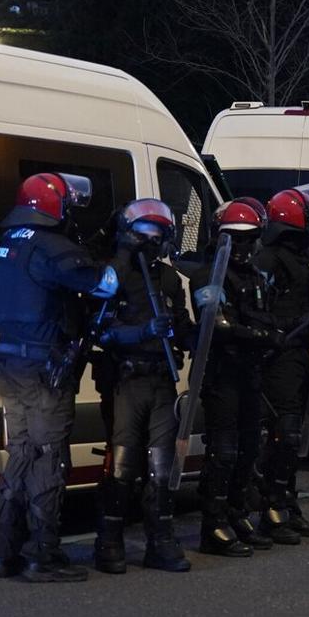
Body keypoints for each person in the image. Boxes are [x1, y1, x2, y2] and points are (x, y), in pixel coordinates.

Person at [0, 173, 122, 582]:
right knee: (49, 458)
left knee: (23, 454)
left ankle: (2, 550)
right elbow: (104, 283)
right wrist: (113, 252)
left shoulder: (10, 242)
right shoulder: (49, 246)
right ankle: (41, 554)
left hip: (12, 362)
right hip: (45, 367)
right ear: (53, 206)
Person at [92, 199, 193, 575]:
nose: (152, 242)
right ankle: (110, 540)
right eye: (144, 235)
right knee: (122, 464)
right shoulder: (115, 275)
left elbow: (181, 324)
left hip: (161, 378)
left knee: (161, 465)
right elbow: (100, 329)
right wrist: (142, 331)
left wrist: (199, 334)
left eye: (158, 235)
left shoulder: (169, 279)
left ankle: (161, 540)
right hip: (126, 378)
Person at [189, 198, 281, 556]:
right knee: (223, 451)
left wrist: (272, 333)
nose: (242, 247)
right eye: (234, 239)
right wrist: (259, 334)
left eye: (248, 239)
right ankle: (212, 524)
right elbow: (218, 324)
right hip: (222, 373)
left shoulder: (257, 277)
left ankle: (236, 512)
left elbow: (267, 316)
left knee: (249, 448)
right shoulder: (207, 274)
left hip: (250, 371)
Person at [254, 184, 309, 544]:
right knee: (283, 433)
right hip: (278, 354)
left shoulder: (300, 258)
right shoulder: (268, 258)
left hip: (298, 353)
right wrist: (293, 324)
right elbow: (262, 309)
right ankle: (271, 508)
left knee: (294, 433)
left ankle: (288, 504)